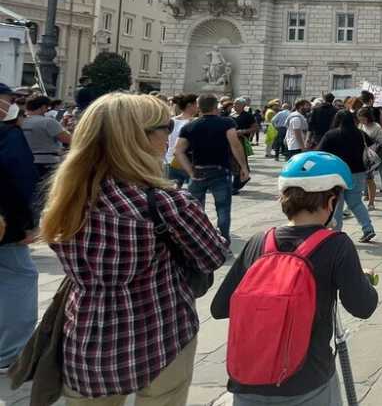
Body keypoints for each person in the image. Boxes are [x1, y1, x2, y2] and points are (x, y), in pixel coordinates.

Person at [41, 92, 227, 404]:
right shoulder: (166, 203)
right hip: (161, 330)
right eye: (166, 127)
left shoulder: (66, 200)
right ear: (139, 139)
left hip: (87, 333)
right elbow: (212, 256)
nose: (170, 134)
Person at [212, 151, 379, 404]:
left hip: (247, 381)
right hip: (307, 382)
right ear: (331, 201)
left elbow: (220, 307)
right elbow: (363, 307)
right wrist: (362, 279)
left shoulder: (259, 241)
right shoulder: (337, 245)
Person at [176, 94, 251, 242]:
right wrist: (244, 167)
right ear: (215, 106)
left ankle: (198, 240)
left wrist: (190, 171)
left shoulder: (189, 126)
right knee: (223, 209)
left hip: (198, 170)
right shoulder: (226, 123)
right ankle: (224, 240)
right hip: (220, 170)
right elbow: (235, 145)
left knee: (196, 210)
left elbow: (178, 151)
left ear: (198, 107)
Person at [0, 86, 39, 371]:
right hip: (6, 224)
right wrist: (28, 225)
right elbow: (21, 181)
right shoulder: (9, 136)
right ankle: (9, 354)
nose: (15, 106)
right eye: (11, 100)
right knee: (20, 277)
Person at [317, 110, 375, 243]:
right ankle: (368, 228)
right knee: (356, 202)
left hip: (337, 173)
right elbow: (372, 144)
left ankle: (336, 233)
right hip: (358, 172)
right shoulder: (360, 133)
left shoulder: (331, 134)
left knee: (336, 203)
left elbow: (320, 151)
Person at [21, 94, 72, 187]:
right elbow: (68, 140)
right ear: (43, 107)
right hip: (48, 162)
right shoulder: (48, 121)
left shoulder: (21, 122)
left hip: (26, 162)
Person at [358, 107, 382, 211]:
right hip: (363, 154)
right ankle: (367, 195)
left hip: (374, 155)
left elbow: (381, 141)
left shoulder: (376, 126)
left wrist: (373, 148)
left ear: (368, 117)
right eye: (360, 119)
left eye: (363, 119)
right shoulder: (361, 125)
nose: (362, 121)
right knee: (365, 178)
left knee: (370, 178)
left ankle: (371, 202)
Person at [166, 94, 199, 187]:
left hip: (170, 159)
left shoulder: (171, 120)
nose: (198, 107)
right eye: (196, 104)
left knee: (172, 192)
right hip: (186, 161)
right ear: (189, 105)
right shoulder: (195, 122)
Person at [231, 97, 259, 193]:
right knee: (232, 162)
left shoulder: (248, 116)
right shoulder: (230, 115)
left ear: (243, 106)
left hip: (240, 140)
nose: (234, 106)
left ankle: (236, 185)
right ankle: (235, 184)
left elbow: (255, 128)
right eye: (234, 104)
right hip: (229, 141)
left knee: (239, 161)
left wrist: (244, 131)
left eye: (237, 104)